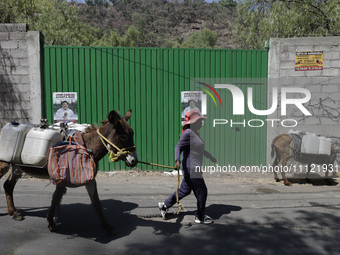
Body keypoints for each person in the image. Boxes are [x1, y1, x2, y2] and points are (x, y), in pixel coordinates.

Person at [159, 109, 217, 224]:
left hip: (192, 168)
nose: (201, 123)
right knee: (202, 191)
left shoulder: (194, 133)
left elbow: (199, 148)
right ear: (193, 122)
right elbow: (178, 147)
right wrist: (177, 160)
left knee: (184, 190)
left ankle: (165, 205)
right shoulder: (188, 133)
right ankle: (199, 216)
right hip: (192, 169)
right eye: (199, 121)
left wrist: (209, 156)